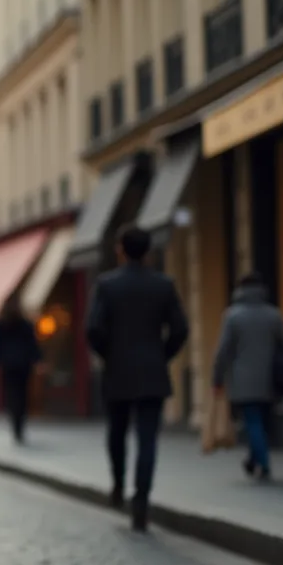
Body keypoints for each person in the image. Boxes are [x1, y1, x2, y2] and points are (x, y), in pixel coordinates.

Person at [85, 225, 189, 532]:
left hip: (118, 372)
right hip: (152, 372)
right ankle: (141, 500)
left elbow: (92, 329)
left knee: (116, 434)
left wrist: (108, 355)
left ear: (120, 250)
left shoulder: (106, 285)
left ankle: (118, 484)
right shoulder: (163, 285)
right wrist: (162, 355)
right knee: (147, 440)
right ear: (148, 252)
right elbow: (181, 329)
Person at [211, 272, 283, 481]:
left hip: (243, 380)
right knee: (261, 422)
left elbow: (223, 350)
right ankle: (253, 459)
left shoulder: (233, 316)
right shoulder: (273, 314)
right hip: (270, 378)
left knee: (252, 421)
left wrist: (217, 378)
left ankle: (263, 463)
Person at [0, 295, 41, 443]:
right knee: (22, 394)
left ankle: (16, 424)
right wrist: (37, 360)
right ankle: (19, 425)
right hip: (23, 364)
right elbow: (32, 344)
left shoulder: (1, 325)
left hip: (9, 364)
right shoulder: (25, 324)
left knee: (13, 395)